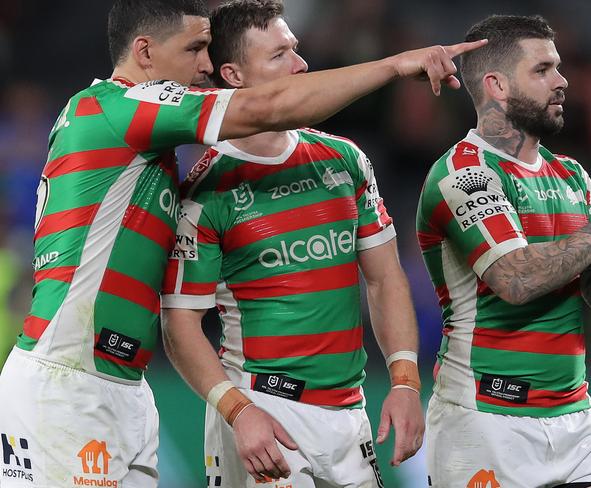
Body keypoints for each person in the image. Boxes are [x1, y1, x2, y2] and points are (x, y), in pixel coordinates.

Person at [0, 0, 486, 486]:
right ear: (144, 53)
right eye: (194, 48)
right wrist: (395, 65)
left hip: (123, 385)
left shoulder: (151, 145)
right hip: (67, 381)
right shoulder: (118, 109)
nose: (205, 65)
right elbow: (264, 107)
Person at [161, 1, 423, 486]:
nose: (301, 66)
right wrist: (238, 412)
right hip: (264, 410)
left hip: (350, 413)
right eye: (279, 55)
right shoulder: (208, 188)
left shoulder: (343, 158)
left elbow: (386, 279)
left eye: (296, 50)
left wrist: (405, 380)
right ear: (234, 75)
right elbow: (179, 323)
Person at [416, 14, 591, 488]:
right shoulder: (463, 174)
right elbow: (516, 281)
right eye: (542, 70)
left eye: (558, 68)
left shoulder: (571, 175)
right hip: (485, 420)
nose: (562, 82)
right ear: (497, 85)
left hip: (575, 416)